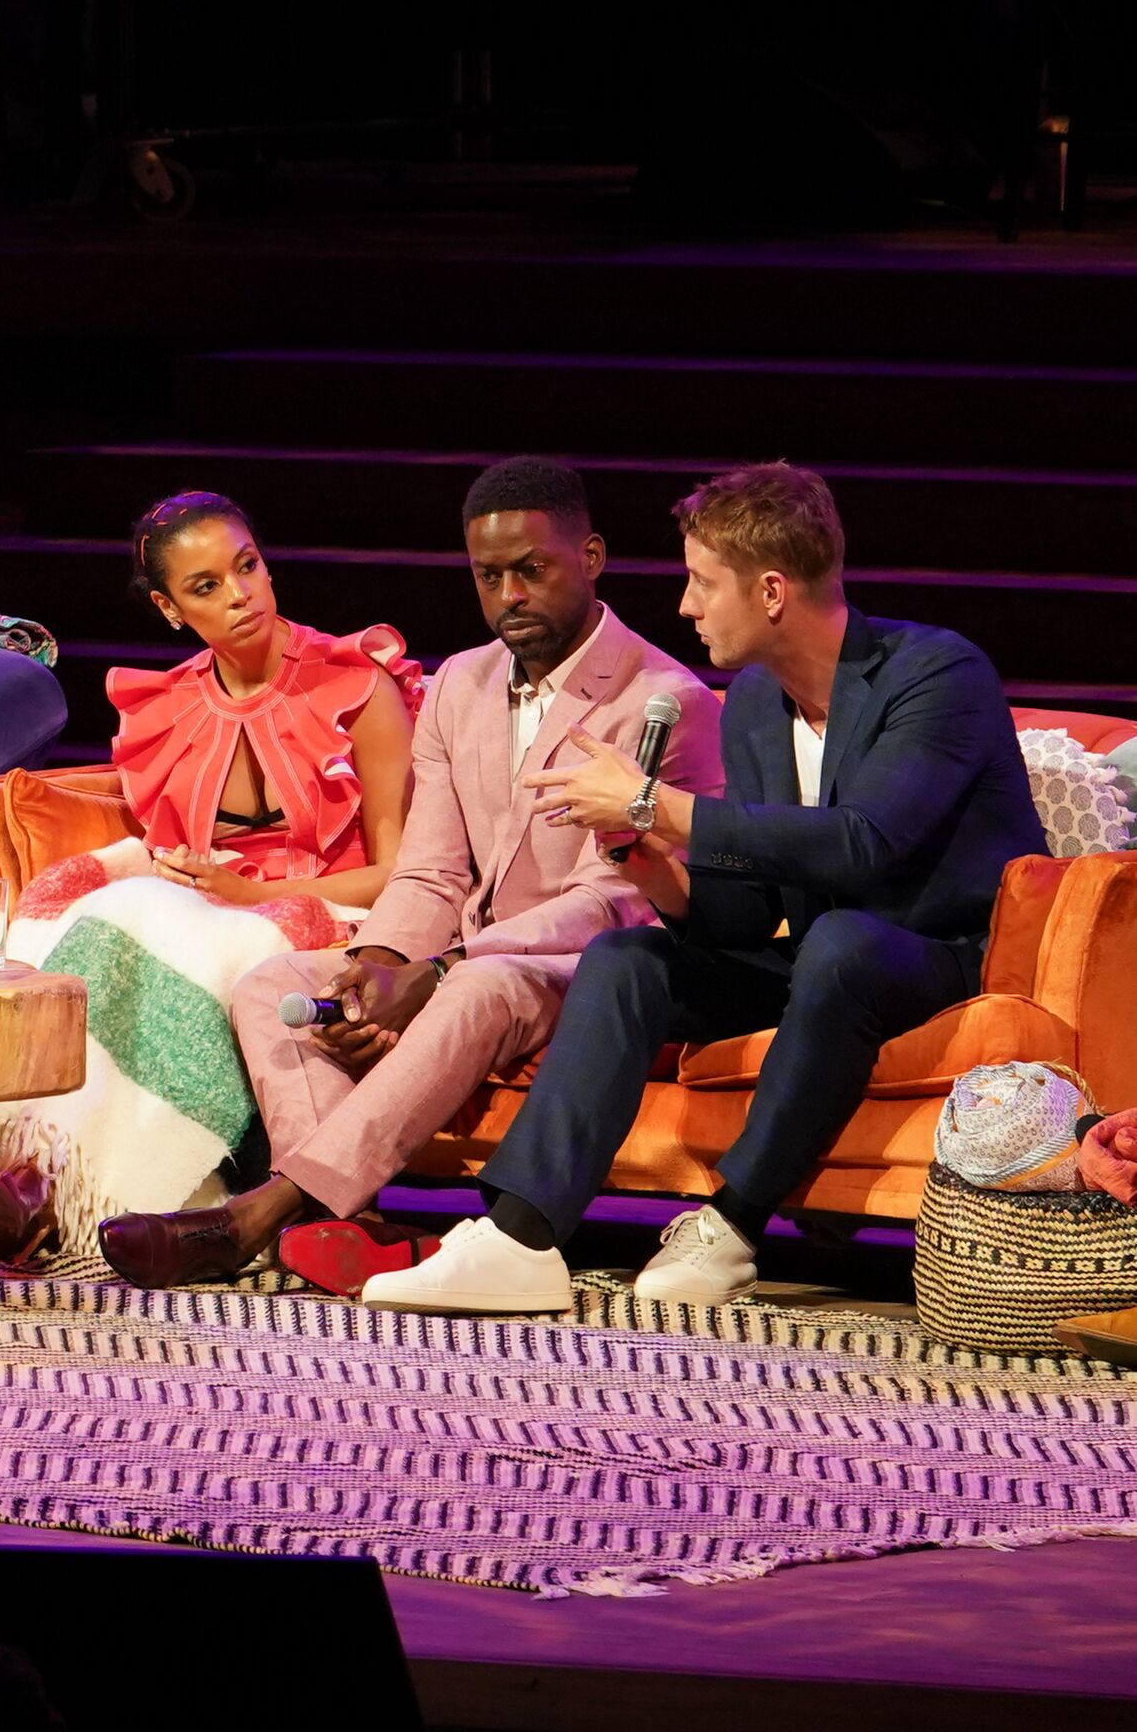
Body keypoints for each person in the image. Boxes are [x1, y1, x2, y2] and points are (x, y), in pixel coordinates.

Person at [369, 461, 1039, 1315]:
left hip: (941, 960)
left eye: (699, 582)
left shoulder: (935, 674)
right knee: (626, 961)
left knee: (840, 943)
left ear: (767, 591)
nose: (683, 606)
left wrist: (660, 803)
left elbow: (863, 845)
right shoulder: (755, 701)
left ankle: (728, 1224)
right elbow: (753, 910)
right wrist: (648, 857)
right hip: (821, 970)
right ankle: (519, 1235)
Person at [101, 457, 715, 1289]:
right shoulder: (462, 681)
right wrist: (380, 963)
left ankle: (261, 1215)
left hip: (583, 970)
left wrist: (437, 970)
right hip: (457, 955)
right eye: (488, 576)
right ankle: (338, 1228)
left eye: (531, 570)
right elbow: (428, 869)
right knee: (271, 985)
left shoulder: (663, 699)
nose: (509, 595)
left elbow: (608, 903)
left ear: (592, 558)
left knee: (476, 987)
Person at [0, 493, 419, 1253]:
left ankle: (89, 1188)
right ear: (168, 607)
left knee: (171, 922)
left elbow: (405, 875)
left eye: (245, 567)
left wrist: (263, 895)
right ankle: (44, 1173)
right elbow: (173, 853)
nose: (239, 594)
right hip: (214, 911)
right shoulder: (169, 708)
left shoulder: (356, 686)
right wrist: (197, 883)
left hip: (336, 916)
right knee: (120, 911)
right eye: (205, 586)